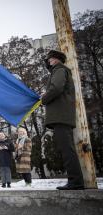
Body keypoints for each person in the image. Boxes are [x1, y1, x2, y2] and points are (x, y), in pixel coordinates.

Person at [41, 50, 84, 190]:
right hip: (62, 116)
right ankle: (75, 181)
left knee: (67, 149)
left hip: (61, 116)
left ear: (55, 59)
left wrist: (44, 98)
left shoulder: (59, 70)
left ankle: (76, 182)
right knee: (66, 148)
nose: (48, 62)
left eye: (49, 59)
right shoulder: (61, 70)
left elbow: (56, 88)